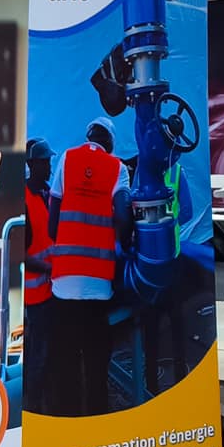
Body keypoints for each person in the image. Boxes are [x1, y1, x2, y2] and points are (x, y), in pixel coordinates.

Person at [46, 118, 131, 417]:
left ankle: (67, 423)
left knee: (66, 365)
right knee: (97, 368)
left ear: (89, 137)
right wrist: (124, 243)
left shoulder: (67, 159)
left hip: (63, 284)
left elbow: (53, 221)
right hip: (98, 286)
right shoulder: (118, 168)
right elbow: (124, 216)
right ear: (110, 143)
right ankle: (96, 424)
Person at [21, 139, 54, 414]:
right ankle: (34, 408)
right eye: (45, 162)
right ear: (32, 164)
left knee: (48, 354)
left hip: (51, 291)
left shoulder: (46, 193)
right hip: (35, 296)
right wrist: (48, 269)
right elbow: (23, 255)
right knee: (39, 357)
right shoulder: (26, 200)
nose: (49, 167)